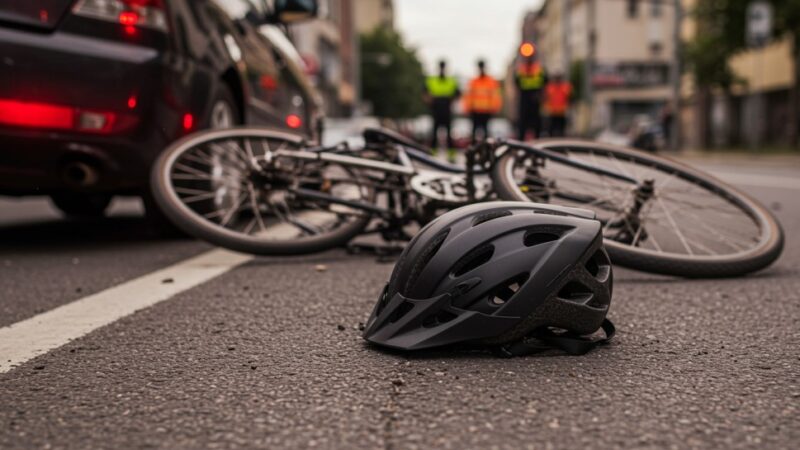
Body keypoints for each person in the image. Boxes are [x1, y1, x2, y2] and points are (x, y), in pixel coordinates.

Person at [424, 60, 460, 162]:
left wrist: (450, 101)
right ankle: (432, 154)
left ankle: (451, 155)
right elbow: (425, 93)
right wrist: (430, 101)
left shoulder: (450, 80)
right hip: (436, 110)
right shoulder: (432, 80)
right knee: (434, 133)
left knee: (448, 134)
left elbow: (457, 93)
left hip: (446, 109)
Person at [462, 59, 502, 144]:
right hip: (475, 111)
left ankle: (486, 152)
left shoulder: (491, 82)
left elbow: (495, 96)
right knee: (474, 134)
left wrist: (495, 108)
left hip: (486, 111)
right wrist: (467, 108)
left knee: (486, 134)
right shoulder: (473, 82)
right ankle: (474, 151)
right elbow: (468, 96)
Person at [515, 43, 546, 140]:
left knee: (536, 122)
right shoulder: (521, 70)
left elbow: (544, 82)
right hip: (525, 98)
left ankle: (537, 141)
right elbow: (517, 82)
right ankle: (521, 142)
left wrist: (540, 94)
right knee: (523, 123)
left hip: (535, 98)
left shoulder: (539, 69)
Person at [544, 72, 572, 137]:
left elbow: (570, 98)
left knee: (561, 131)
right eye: (556, 78)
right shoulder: (550, 87)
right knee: (551, 130)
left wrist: (569, 108)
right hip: (552, 112)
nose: (557, 80)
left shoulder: (566, 87)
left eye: (558, 78)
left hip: (562, 112)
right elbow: (546, 98)